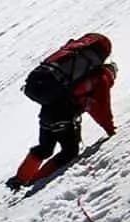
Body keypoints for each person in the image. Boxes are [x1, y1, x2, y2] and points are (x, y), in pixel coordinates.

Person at [8, 34, 118, 188]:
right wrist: (109, 129)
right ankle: (36, 180)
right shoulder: (100, 78)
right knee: (69, 152)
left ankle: (20, 178)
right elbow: (101, 107)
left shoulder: (74, 64)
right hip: (64, 116)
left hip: (47, 112)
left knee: (44, 148)